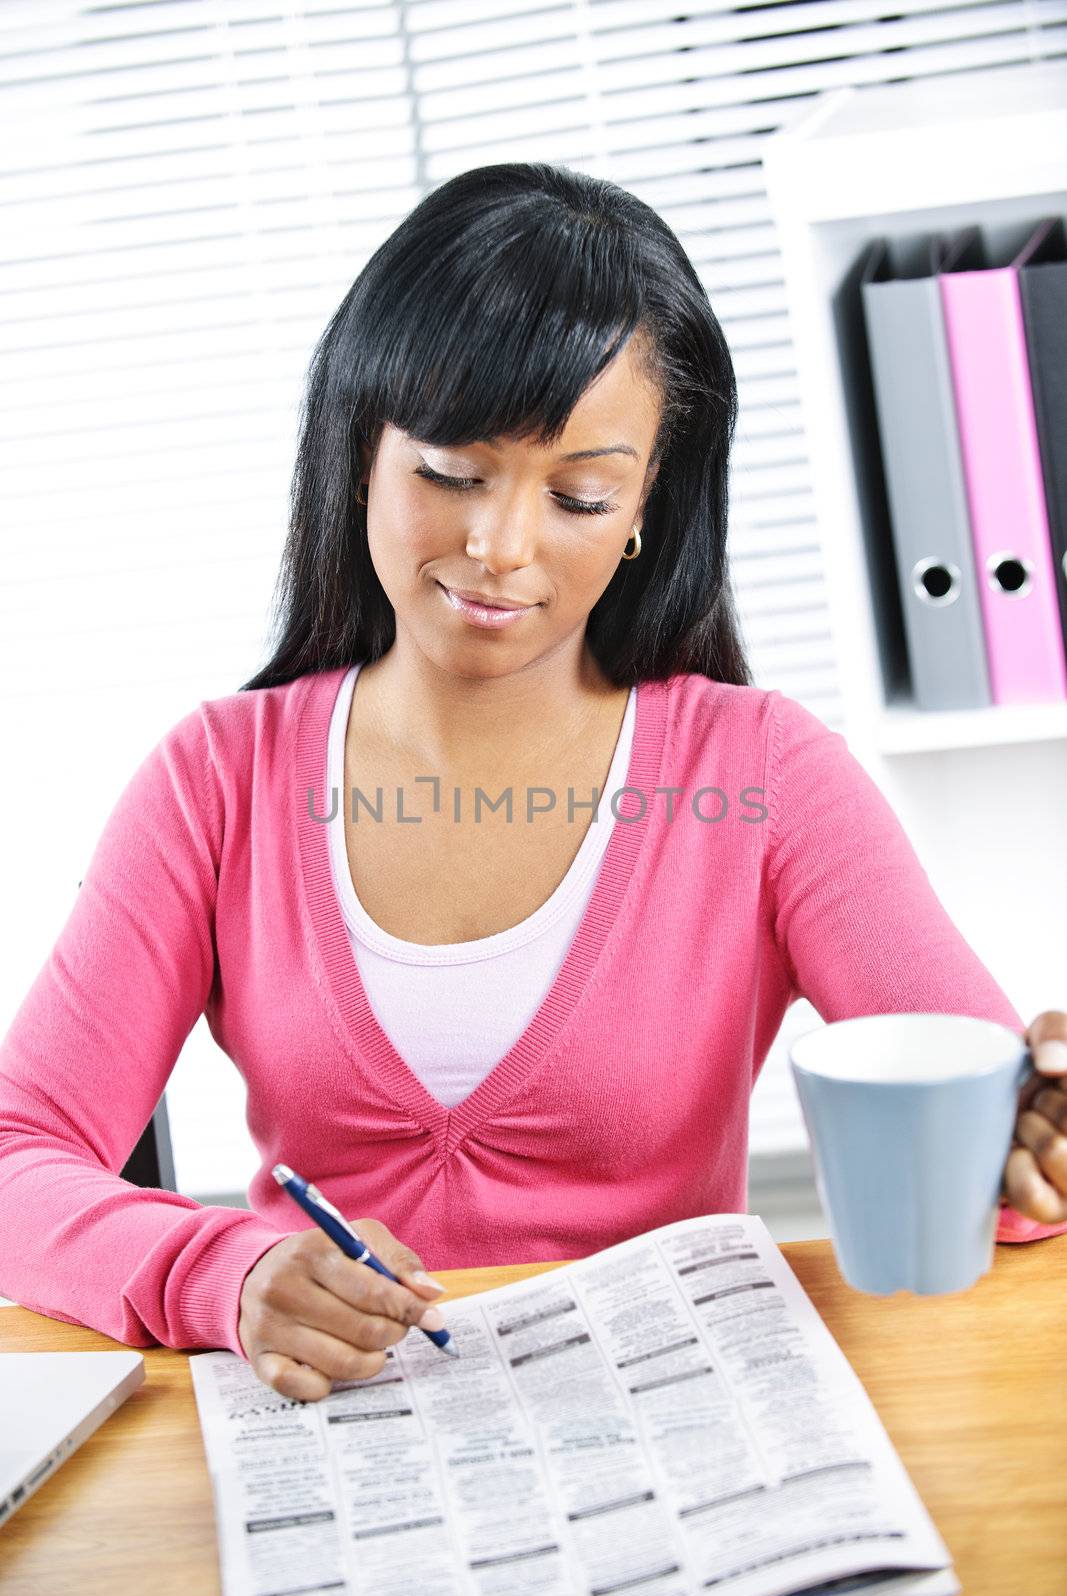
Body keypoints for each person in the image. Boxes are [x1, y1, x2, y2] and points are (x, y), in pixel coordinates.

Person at [2, 162, 1066, 1406]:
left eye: (578, 493)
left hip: (674, 1436)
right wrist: (223, 1273)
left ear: (643, 512)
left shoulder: (762, 777)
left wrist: (1029, 1145)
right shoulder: (217, 782)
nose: (500, 548)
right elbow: (20, 1154)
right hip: (335, 1449)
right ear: (360, 452)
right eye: (453, 470)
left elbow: (990, 1151)